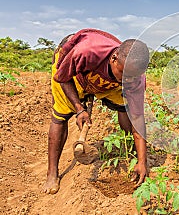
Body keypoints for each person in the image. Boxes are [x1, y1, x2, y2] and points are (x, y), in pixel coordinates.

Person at [43, 28, 149, 194]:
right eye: (124, 74)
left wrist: (143, 161)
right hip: (72, 72)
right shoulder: (86, 52)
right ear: (114, 59)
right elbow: (63, 78)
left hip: (105, 81)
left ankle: (135, 155)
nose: (128, 79)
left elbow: (137, 119)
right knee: (60, 116)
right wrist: (79, 108)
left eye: (133, 76)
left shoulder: (134, 79)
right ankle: (52, 172)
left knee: (126, 108)